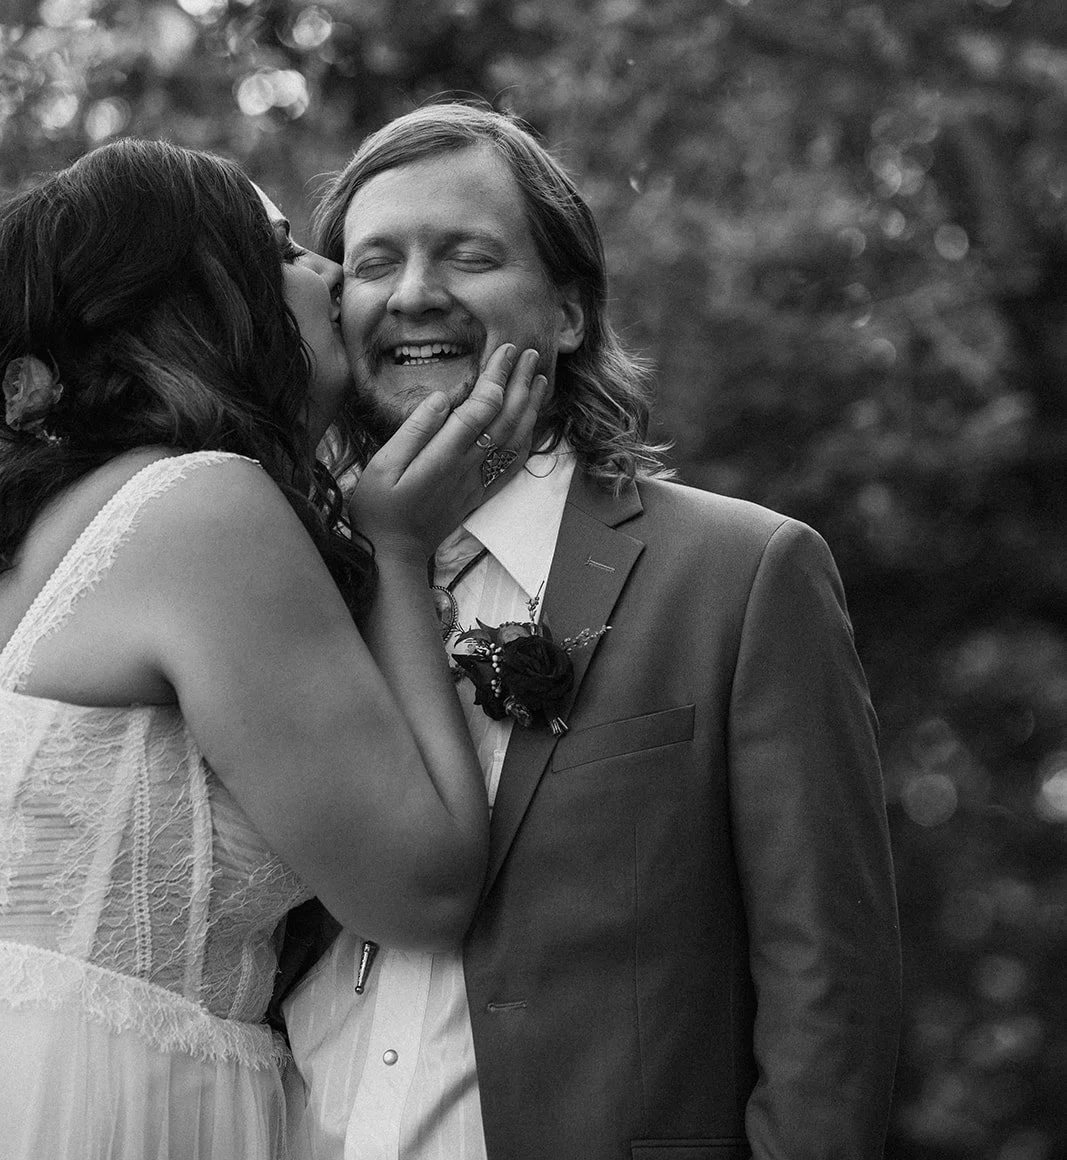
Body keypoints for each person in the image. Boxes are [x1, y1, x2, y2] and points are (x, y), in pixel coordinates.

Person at [277, 102, 903, 1160]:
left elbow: (828, 995)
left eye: (466, 254)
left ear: (567, 312)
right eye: (372, 263)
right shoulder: (282, 585)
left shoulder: (742, 576)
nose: (414, 293)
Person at [0, 137, 544, 1160]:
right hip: (110, 1102)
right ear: (196, 298)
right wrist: (393, 545)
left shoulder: (48, 524)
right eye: (284, 250)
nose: (331, 273)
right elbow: (421, 888)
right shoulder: (200, 508)